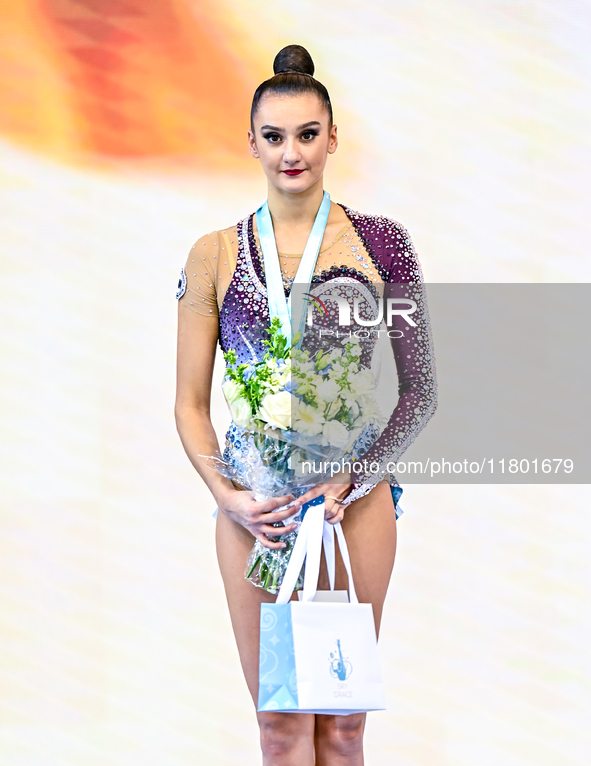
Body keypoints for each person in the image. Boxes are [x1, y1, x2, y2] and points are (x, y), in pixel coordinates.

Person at [175, 44, 437, 766]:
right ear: (251, 141)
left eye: (307, 134)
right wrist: (228, 497)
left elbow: (419, 391)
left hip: (351, 505)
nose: (291, 152)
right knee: (279, 726)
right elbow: (190, 404)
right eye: (274, 136)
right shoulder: (214, 254)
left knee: (343, 724)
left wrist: (353, 478)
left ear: (331, 136)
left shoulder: (383, 245)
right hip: (255, 509)